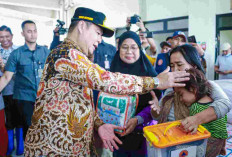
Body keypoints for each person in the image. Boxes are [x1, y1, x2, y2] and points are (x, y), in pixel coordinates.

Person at [24, 7, 190, 157]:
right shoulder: (65, 54)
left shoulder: (76, 57)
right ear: (82, 26)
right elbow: (104, 79)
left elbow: (82, 102)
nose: (99, 40)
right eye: (98, 33)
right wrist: (155, 81)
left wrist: (99, 124)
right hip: (53, 149)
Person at [151, 44, 231, 157]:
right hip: (169, 145)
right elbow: (157, 117)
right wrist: (155, 111)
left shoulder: (207, 85)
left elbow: (225, 104)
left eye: (179, 65)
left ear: (194, 65)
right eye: (172, 66)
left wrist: (196, 119)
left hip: (198, 148)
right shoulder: (170, 89)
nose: (175, 70)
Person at [110, 31, 161, 157]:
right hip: (118, 136)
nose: (129, 51)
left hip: (144, 136)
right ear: (118, 49)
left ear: (139, 49)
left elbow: (156, 103)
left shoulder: (150, 75)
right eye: (124, 47)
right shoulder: (110, 75)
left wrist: (137, 120)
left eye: (133, 47)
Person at [0, 20, 50, 145]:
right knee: (28, 131)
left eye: (35, 31)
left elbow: (54, 74)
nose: (33, 34)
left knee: (45, 130)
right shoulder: (16, 54)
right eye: (29, 31)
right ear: (23, 33)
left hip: (43, 98)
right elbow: (6, 77)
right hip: (24, 98)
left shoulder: (45, 52)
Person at [177, 68, 227, 156]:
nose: (180, 99)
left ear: (193, 89)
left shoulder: (195, 107)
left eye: (181, 95)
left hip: (206, 146)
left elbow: (192, 132)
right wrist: (222, 147)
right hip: (219, 144)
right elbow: (223, 130)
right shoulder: (217, 105)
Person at [0, 25, 21, 155]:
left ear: (12, 36)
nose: (4, 39)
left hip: (19, 91)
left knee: (20, 119)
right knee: (8, 122)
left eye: (7, 36)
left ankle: (20, 146)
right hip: (3, 93)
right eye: (1, 37)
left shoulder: (19, 51)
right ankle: (9, 146)